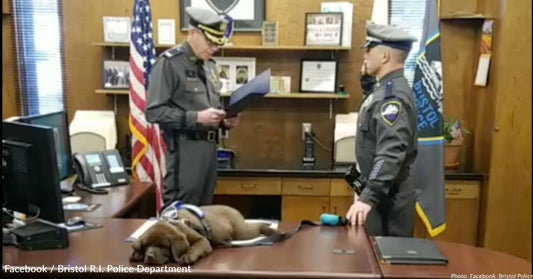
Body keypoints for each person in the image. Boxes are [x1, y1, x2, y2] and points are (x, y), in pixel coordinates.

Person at [145, 7, 239, 208]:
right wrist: (196, 118)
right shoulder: (169, 63)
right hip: (185, 151)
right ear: (192, 33)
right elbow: (153, 112)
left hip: (210, 151)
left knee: (204, 213)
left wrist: (224, 121)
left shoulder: (210, 66)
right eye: (211, 41)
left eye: (218, 43)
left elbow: (209, 107)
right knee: (182, 213)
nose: (214, 47)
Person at [346, 21, 418, 237]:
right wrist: (366, 79)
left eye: (369, 49)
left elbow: (390, 152)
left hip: (388, 200)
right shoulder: (386, 89)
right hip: (382, 194)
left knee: (386, 265)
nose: (365, 55)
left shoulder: (392, 97)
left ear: (384, 57)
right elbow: (374, 114)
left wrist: (369, 197)